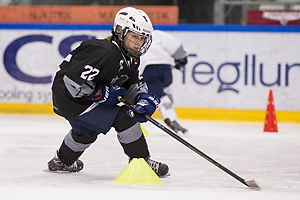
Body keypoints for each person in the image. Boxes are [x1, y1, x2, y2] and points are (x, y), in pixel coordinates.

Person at [47, 7, 169, 177]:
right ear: (119, 31)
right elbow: (72, 81)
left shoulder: (131, 57)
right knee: (125, 117)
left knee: (86, 132)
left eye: (142, 38)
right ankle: (142, 161)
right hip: (70, 98)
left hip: (77, 100)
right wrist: (99, 93)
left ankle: (61, 161)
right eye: (134, 36)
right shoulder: (104, 51)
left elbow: (131, 83)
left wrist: (143, 99)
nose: (138, 43)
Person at [139, 30, 188, 134]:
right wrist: (181, 59)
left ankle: (171, 119)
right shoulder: (156, 34)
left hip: (148, 69)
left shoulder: (134, 37)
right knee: (166, 90)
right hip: (165, 66)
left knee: (160, 96)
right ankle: (172, 114)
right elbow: (178, 49)